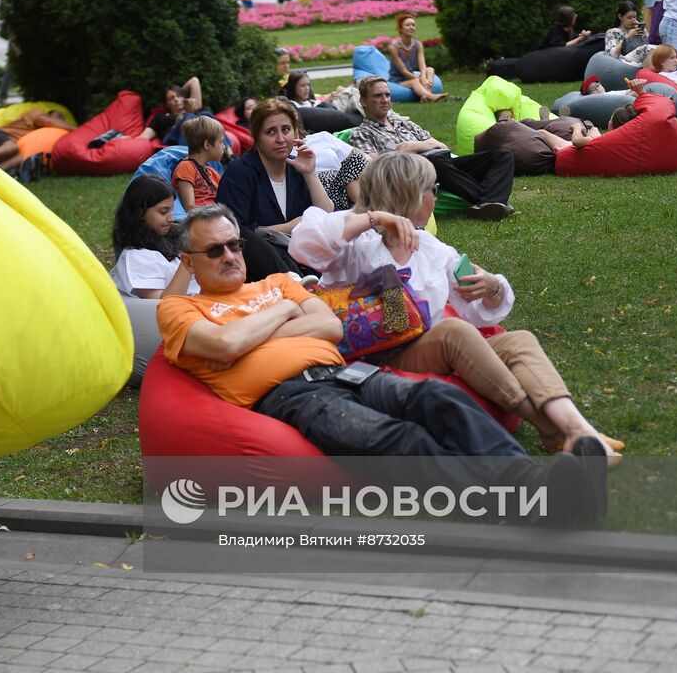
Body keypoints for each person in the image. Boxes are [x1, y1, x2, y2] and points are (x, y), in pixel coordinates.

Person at [157, 203, 609, 522]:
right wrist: (282, 313)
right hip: (292, 396)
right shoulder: (179, 309)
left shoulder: (274, 281)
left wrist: (249, 336)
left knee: (436, 396)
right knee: (395, 437)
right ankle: (520, 505)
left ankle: (538, 484)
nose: (231, 256)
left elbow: (329, 329)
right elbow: (222, 346)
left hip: (343, 372)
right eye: (214, 251)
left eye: (234, 245)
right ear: (189, 262)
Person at [291, 152, 622, 460]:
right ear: (409, 194)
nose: (436, 194)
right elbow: (306, 244)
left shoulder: (433, 248)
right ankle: (550, 426)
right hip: (373, 355)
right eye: (432, 188)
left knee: (517, 340)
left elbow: (476, 310)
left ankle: (578, 428)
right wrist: (374, 218)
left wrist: (492, 287)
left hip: (427, 345)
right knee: (452, 332)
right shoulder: (356, 240)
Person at [347, 76, 515, 220]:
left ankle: (487, 203)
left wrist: (413, 146)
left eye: (387, 95)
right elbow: (374, 165)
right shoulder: (362, 133)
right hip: (417, 171)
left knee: (503, 155)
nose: (385, 100)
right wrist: (408, 152)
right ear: (363, 101)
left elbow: (440, 145)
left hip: (445, 162)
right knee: (434, 161)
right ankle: (493, 201)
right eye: (378, 96)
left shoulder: (404, 123)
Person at [215, 98, 333, 279]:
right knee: (249, 238)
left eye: (286, 130)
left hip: (302, 254)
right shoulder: (240, 173)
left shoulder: (298, 166)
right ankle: (296, 283)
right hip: (259, 264)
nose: (280, 139)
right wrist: (289, 227)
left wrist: (309, 172)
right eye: (271, 132)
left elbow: (325, 214)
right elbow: (233, 233)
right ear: (257, 137)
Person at [110, 175, 197, 300]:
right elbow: (160, 303)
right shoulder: (136, 256)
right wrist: (189, 259)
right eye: (163, 212)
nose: (171, 218)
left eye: (171, 210)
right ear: (140, 213)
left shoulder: (167, 239)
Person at [0, 108, 74, 176]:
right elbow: (48, 121)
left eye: (63, 119)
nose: (61, 120)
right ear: (49, 114)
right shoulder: (36, 113)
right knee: (12, 147)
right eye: (59, 116)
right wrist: (77, 129)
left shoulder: (45, 133)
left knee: (20, 158)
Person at [386, 13, 445, 103]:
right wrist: (420, 79)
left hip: (412, 75)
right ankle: (431, 96)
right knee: (415, 81)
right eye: (408, 25)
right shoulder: (394, 48)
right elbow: (403, 71)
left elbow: (422, 64)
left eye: (413, 25)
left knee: (430, 70)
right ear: (401, 29)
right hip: (398, 80)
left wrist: (424, 78)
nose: (411, 27)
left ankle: (425, 96)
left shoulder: (418, 44)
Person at [173, 115, 226, 212]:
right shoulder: (186, 167)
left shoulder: (212, 172)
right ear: (207, 145)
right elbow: (189, 207)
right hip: (201, 220)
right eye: (221, 142)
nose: (224, 146)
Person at [140, 77, 203, 142]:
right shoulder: (160, 117)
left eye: (179, 96)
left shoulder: (193, 109)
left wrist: (183, 96)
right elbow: (144, 137)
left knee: (205, 114)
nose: (176, 99)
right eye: (171, 98)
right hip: (174, 136)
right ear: (167, 104)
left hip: (197, 134)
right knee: (187, 120)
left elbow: (194, 81)